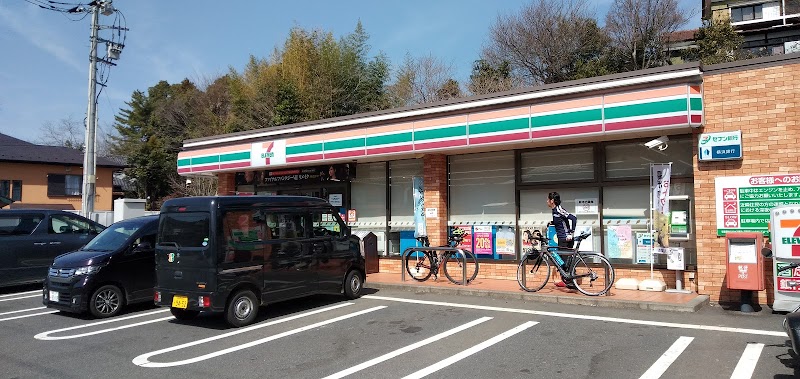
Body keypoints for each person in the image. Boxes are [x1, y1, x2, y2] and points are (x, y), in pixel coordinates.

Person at [547, 191, 578, 289]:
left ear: (552, 201)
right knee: (562, 260)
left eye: (548, 199)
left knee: (564, 261)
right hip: (561, 238)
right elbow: (560, 221)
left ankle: (571, 281)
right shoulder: (554, 210)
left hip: (565, 239)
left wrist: (571, 233)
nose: (546, 201)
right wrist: (551, 222)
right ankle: (566, 279)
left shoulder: (559, 209)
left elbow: (573, 218)